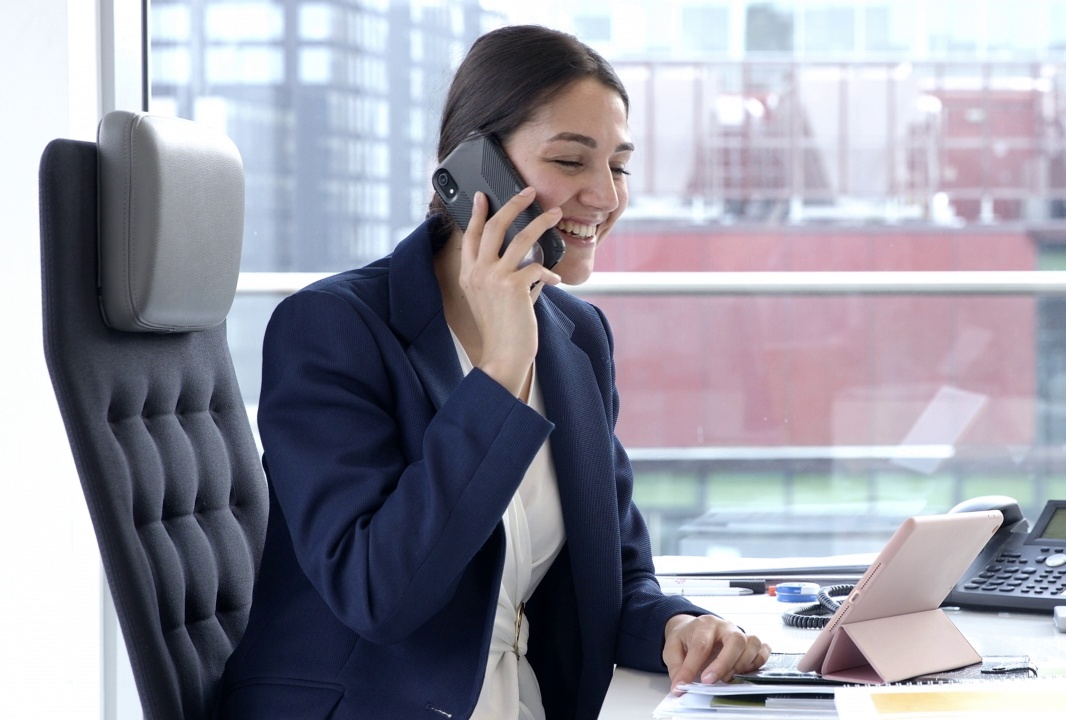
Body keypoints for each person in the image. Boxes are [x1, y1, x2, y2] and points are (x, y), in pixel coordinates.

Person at [217, 24, 769, 720]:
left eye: (619, 166)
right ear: (475, 170)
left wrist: (676, 628)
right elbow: (378, 594)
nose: (605, 196)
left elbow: (615, 575)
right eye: (571, 161)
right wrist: (503, 370)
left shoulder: (577, 338)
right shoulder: (333, 330)